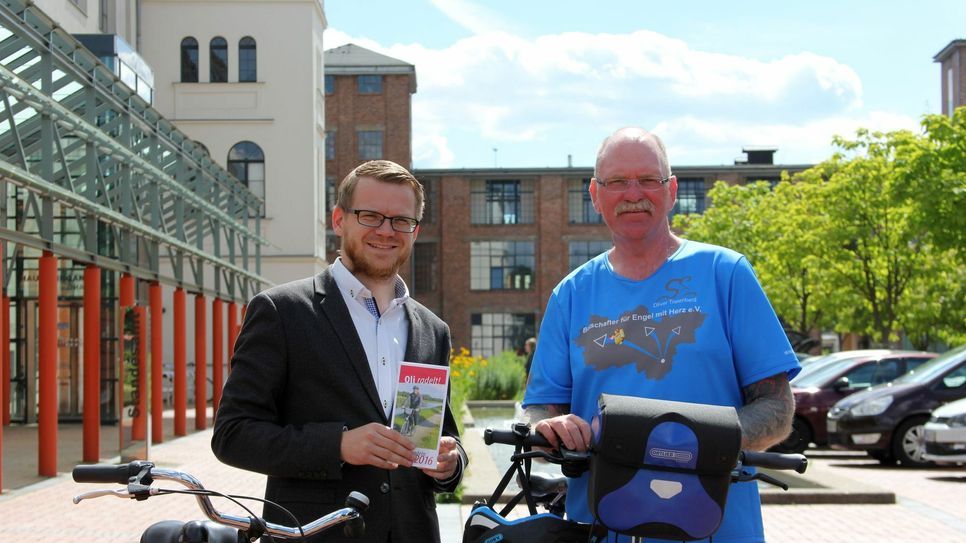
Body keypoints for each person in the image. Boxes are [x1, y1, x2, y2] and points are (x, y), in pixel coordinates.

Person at [522, 128, 799, 543]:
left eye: (648, 179)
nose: (634, 193)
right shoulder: (571, 294)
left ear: (670, 191)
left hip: (718, 529)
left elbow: (777, 407)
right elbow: (539, 412)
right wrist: (550, 428)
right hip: (599, 528)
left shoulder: (726, 274)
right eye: (617, 182)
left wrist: (687, 444)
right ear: (596, 196)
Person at [212, 160, 467, 543]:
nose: (386, 231)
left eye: (401, 220)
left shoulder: (434, 330)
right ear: (338, 220)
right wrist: (339, 445)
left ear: (415, 230)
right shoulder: (283, 312)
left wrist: (450, 462)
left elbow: (443, 434)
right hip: (317, 534)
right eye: (370, 216)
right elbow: (232, 435)